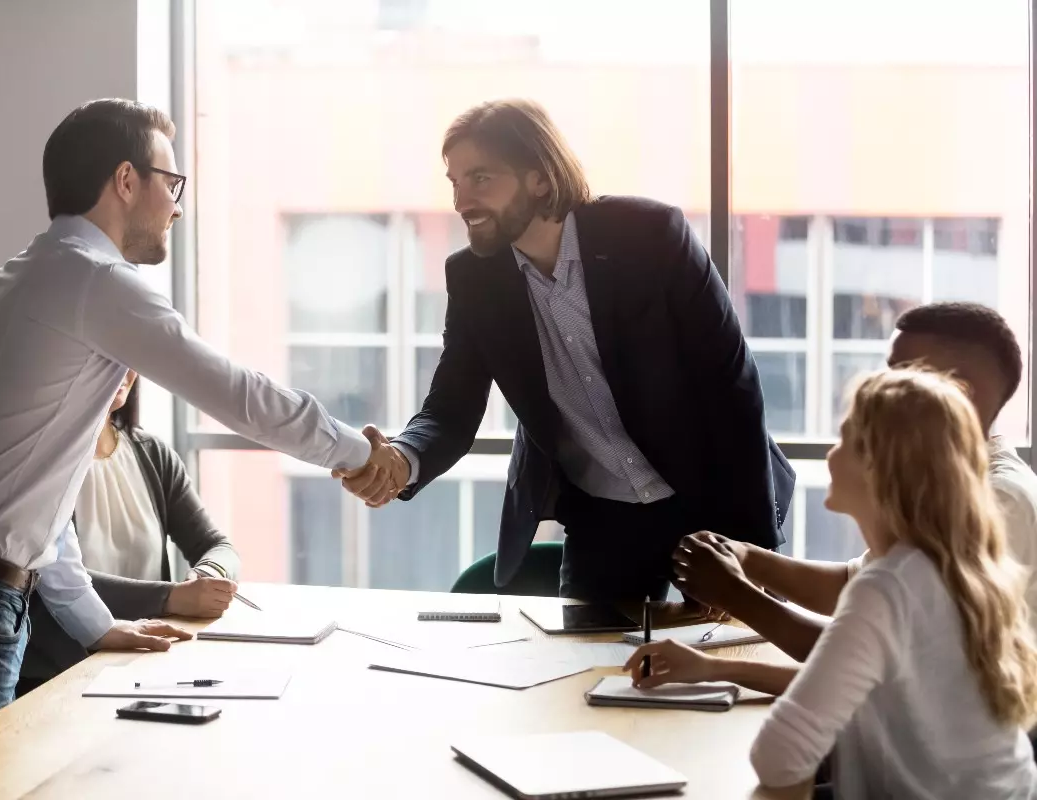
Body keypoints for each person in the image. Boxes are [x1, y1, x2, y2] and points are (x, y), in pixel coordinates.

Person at [0, 98, 396, 781]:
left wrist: (94, 624)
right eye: (171, 184)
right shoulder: (97, 282)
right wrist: (359, 454)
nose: (176, 205)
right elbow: (237, 393)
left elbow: (33, 495)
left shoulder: (23, 278)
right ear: (125, 181)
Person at [335, 98, 794, 602]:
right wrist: (402, 457)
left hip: (709, 504)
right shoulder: (474, 278)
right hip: (601, 518)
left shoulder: (651, 236)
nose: (462, 201)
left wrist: (756, 551)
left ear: (539, 177)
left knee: (725, 663)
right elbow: (452, 405)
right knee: (581, 671)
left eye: (481, 179)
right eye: (455, 182)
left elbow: (732, 390)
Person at [625, 302, 1037, 696]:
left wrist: (735, 593)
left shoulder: (998, 502)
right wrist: (747, 558)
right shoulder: (948, 485)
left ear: (961, 392)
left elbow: (868, 657)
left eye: (900, 375)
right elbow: (852, 585)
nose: (879, 390)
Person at [748, 370, 1037, 795]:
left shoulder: (890, 586)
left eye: (846, 439)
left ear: (882, 467)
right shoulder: (955, 564)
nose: (831, 453)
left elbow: (778, 756)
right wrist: (711, 669)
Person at [17, 371, 240, 695]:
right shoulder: (45, 462)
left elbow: (217, 545)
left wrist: (209, 572)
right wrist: (169, 597)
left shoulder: (153, 455)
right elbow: (49, 579)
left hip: (142, 668)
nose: (123, 370)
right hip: (56, 680)